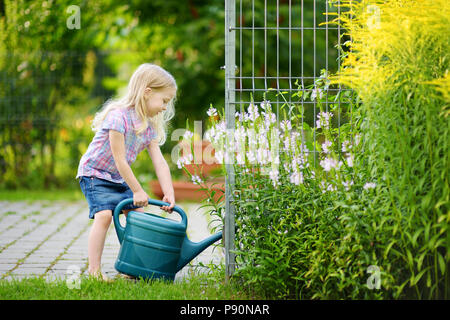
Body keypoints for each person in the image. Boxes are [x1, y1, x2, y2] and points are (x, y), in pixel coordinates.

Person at [76, 63, 177, 280]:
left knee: (137, 217)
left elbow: (159, 162)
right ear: (147, 92)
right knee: (103, 215)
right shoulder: (118, 117)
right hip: (95, 174)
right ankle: (94, 272)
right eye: (164, 101)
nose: (164, 107)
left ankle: (134, 268)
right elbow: (119, 159)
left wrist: (169, 192)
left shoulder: (148, 126)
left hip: (118, 177)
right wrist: (138, 190)